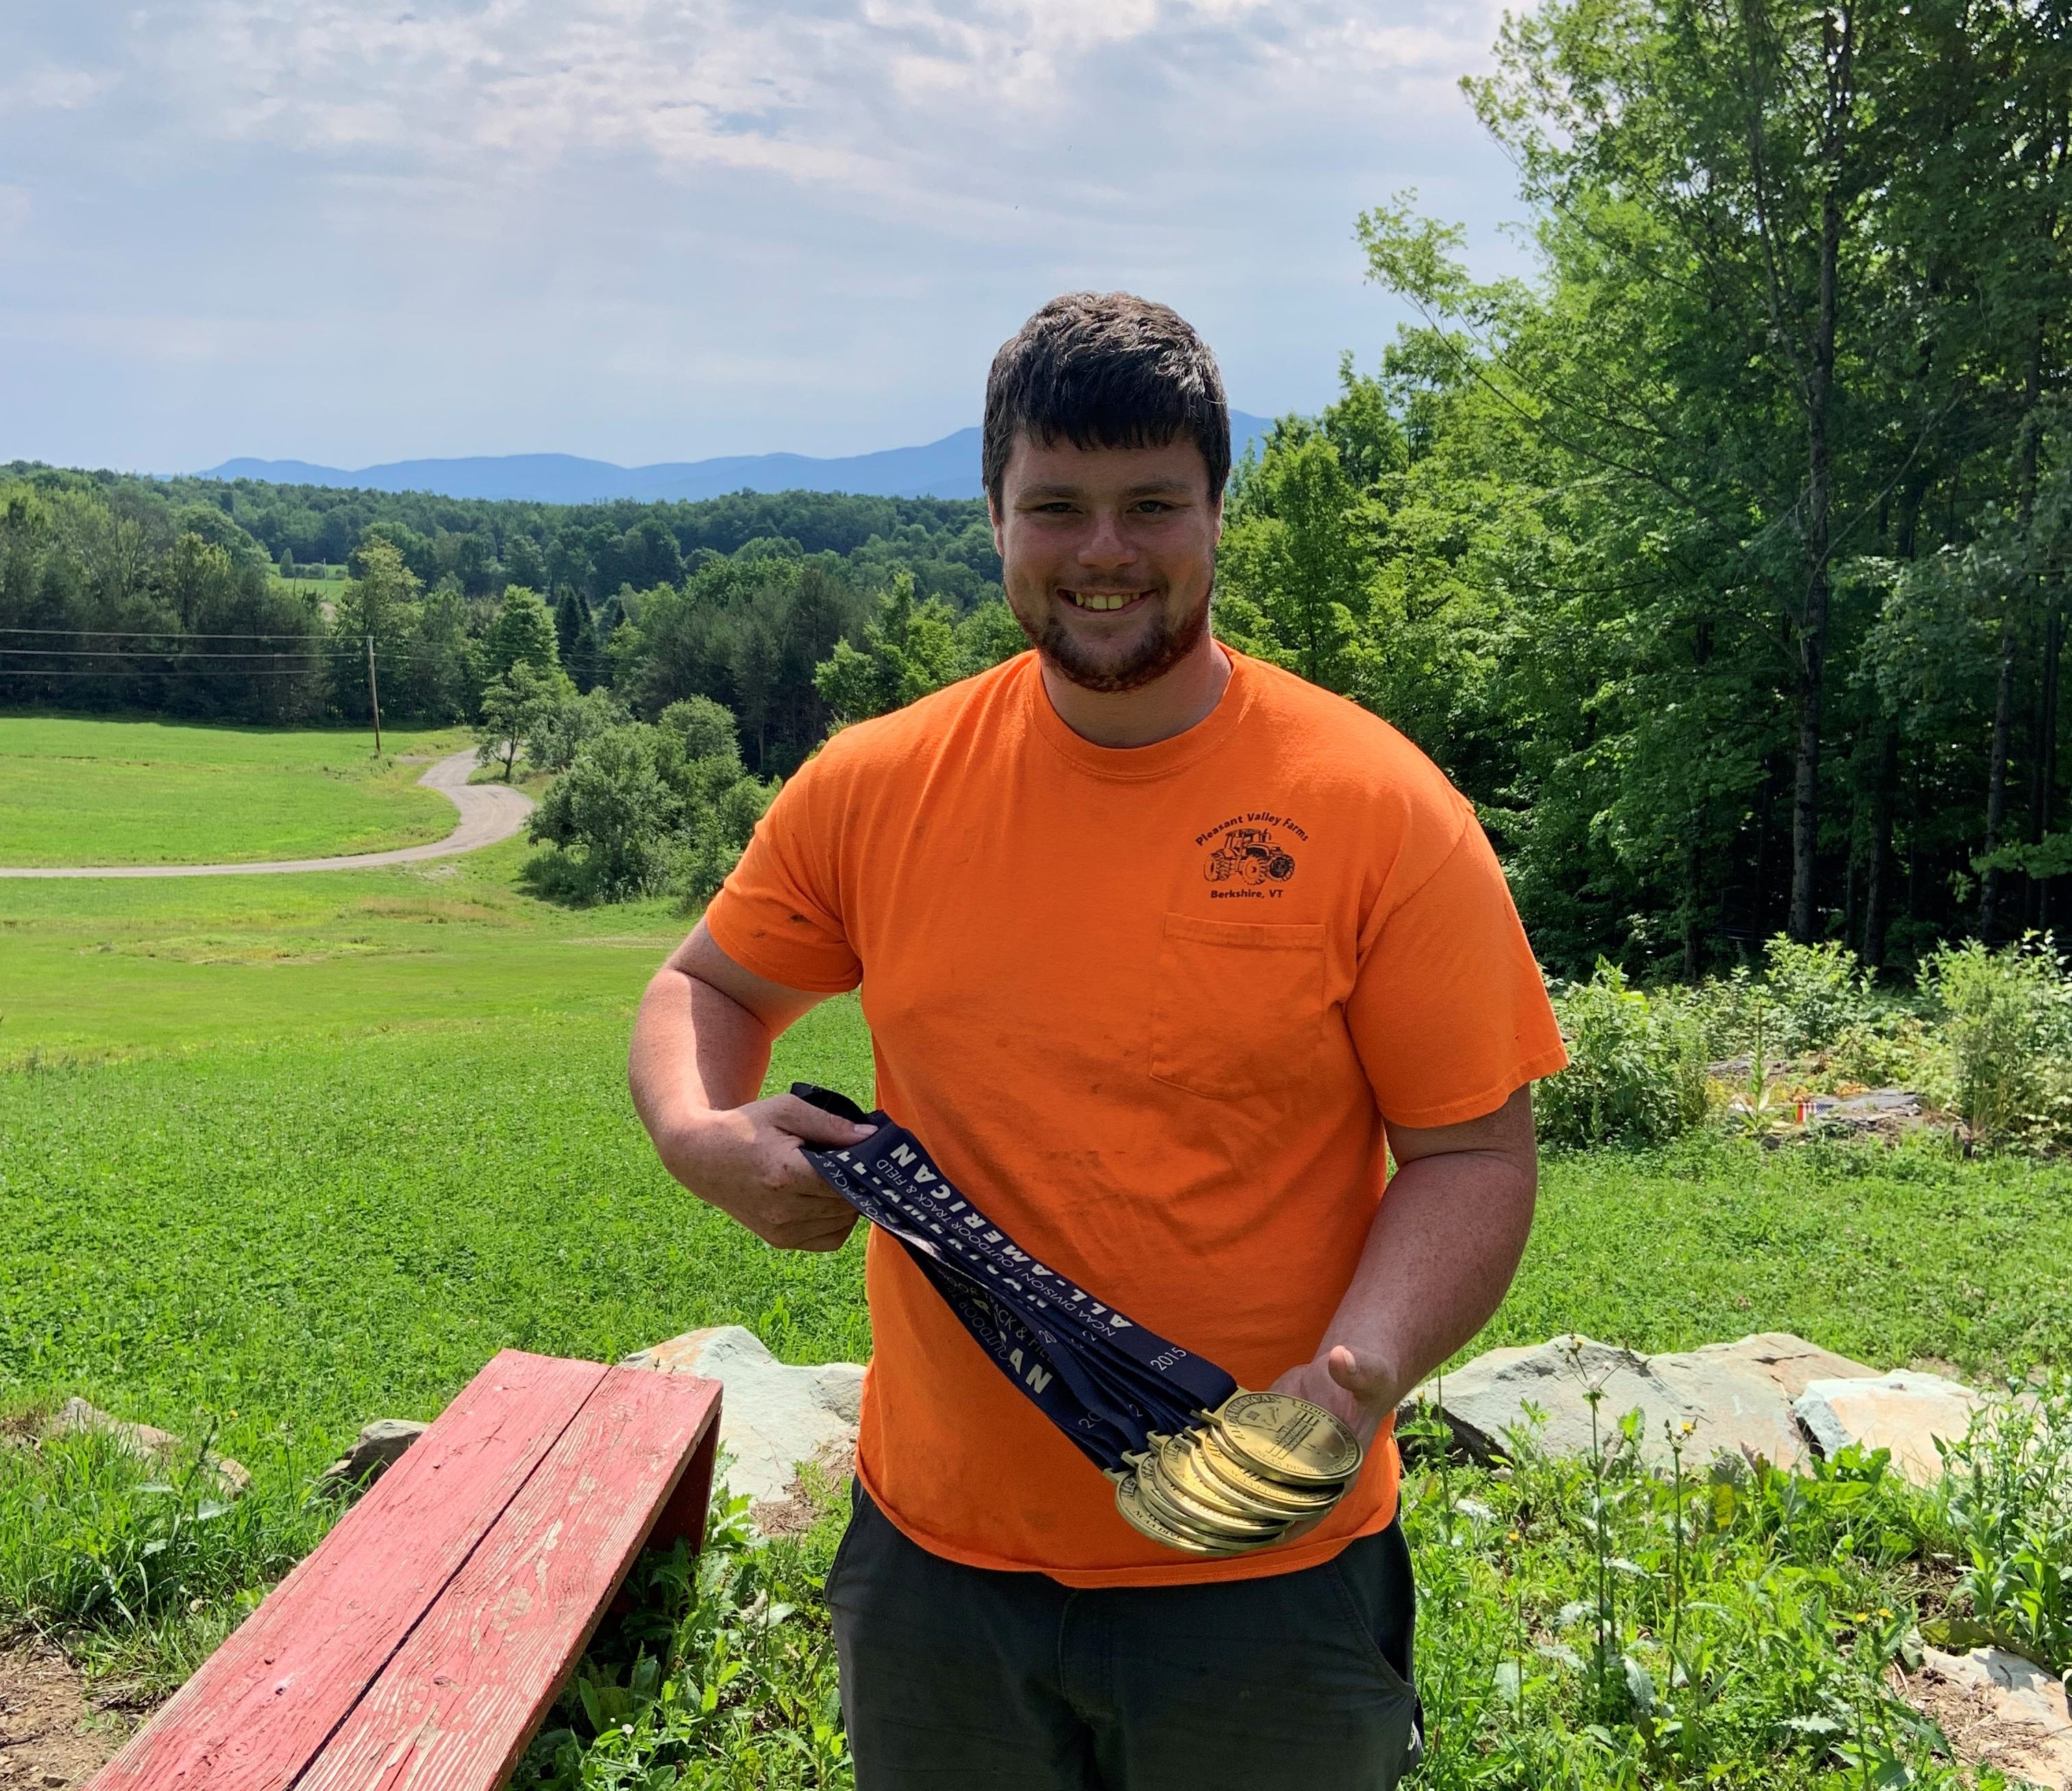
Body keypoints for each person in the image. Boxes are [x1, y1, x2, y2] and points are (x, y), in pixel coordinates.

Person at [628, 291, 1568, 1790]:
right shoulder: (877, 785)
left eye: (1152, 505)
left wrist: (1354, 1376)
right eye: (1056, 505)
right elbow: (706, 989)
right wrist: (703, 1134)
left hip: (1267, 1566)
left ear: (1215, 512)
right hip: (938, 1571)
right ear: (994, 511)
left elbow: (1472, 1150)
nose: (1105, 551)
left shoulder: (1377, 805)